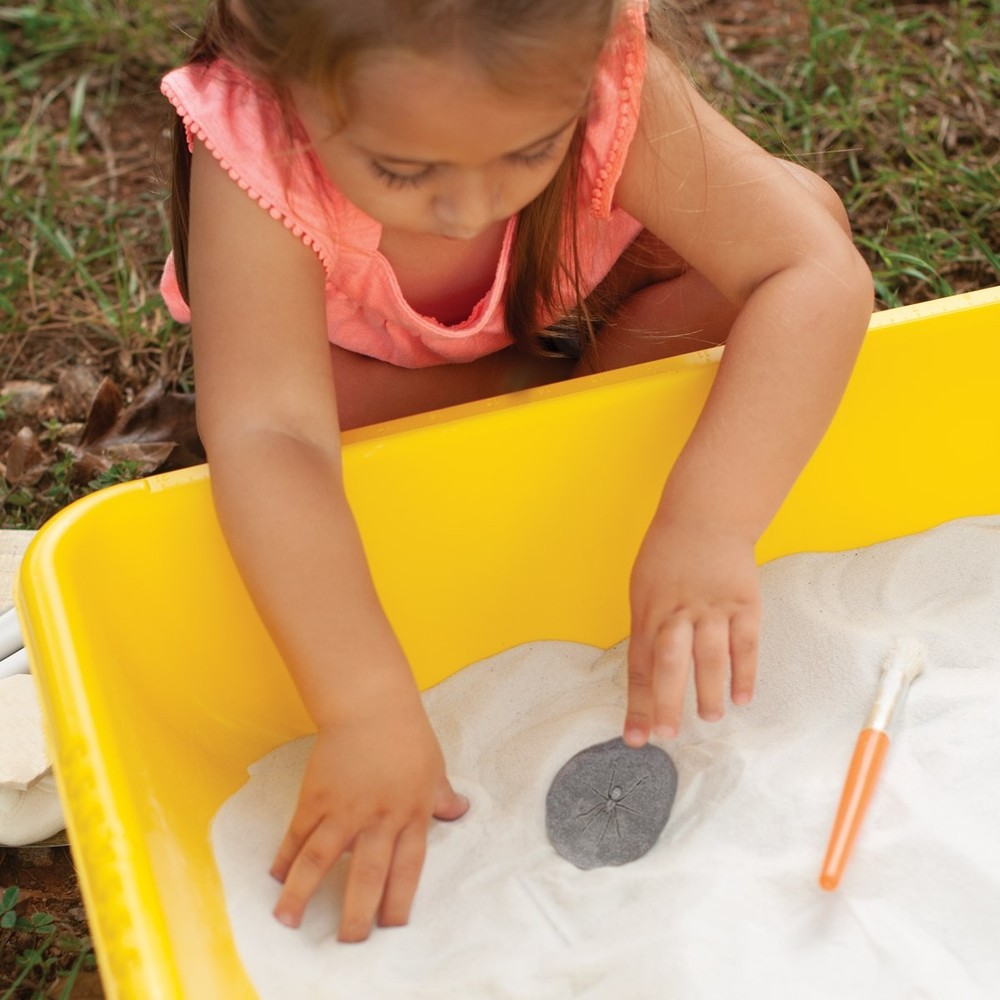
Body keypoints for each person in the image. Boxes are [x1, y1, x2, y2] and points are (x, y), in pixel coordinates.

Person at [161, 0, 873, 942]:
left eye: (529, 151)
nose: (473, 207)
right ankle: (526, 388)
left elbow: (811, 267)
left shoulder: (603, 60)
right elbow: (268, 434)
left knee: (803, 209)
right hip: (379, 378)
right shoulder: (255, 136)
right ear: (288, 82)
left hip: (588, 309)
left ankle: (536, 386)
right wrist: (366, 706)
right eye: (405, 170)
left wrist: (709, 524)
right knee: (290, 423)